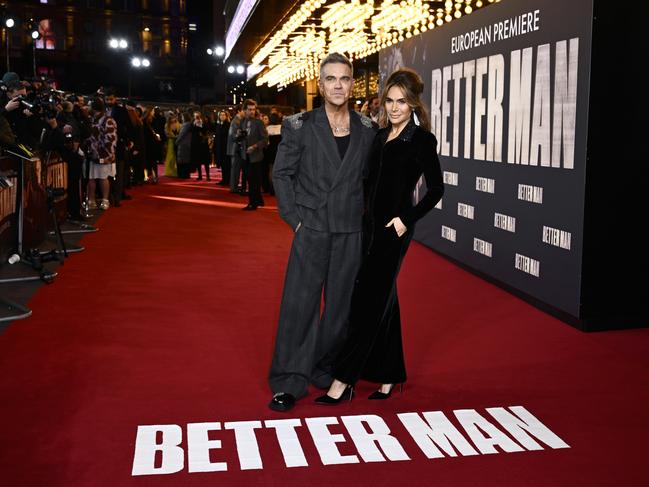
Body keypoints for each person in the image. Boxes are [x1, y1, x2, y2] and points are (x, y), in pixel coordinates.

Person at [315, 68, 444, 405]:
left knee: (366, 304)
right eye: (390, 100)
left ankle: (344, 380)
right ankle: (390, 375)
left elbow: (436, 190)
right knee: (385, 300)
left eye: (402, 101)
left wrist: (406, 219)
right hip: (368, 229)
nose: (395, 107)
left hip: (393, 232)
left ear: (414, 103)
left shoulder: (421, 140)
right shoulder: (378, 135)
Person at [268, 52, 377, 412]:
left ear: (351, 82)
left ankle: (325, 369)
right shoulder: (299, 125)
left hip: (349, 228)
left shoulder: (366, 128)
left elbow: (371, 180)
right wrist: (294, 218)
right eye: (330, 79)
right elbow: (281, 173)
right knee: (300, 305)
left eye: (344, 79)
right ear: (320, 82)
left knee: (340, 310)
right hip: (311, 226)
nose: (338, 86)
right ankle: (289, 380)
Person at [84, 98, 117, 210]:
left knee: (103, 177)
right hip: (91, 154)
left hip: (104, 155)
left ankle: (105, 200)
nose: (87, 108)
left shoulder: (108, 120)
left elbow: (110, 140)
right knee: (91, 177)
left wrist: (102, 154)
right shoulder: (92, 119)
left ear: (94, 108)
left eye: (89, 106)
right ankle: (91, 200)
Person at [239, 99, 268, 210]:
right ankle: (259, 200)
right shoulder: (242, 122)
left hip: (255, 156)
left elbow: (265, 140)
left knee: (253, 181)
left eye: (253, 109)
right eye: (249, 109)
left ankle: (252, 203)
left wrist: (254, 146)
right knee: (250, 179)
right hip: (244, 155)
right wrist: (239, 137)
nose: (252, 112)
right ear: (244, 110)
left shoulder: (259, 123)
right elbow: (240, 137)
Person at [214, 110, 230, 185]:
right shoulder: (218, 125)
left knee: (226, 165)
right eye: (221, 115)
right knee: (223, 165)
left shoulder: (228, 125)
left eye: (224, 115)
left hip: (226, 148)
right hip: (220, 148)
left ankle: (227, 180)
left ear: (226, 116)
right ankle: (224, 179)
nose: (222, 116)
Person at [176, 111, 193, 179]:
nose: (182, 118)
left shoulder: (186, 125)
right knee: (186, 160)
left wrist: (177, 141)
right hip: (187, 143)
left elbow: (181, 135)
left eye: (182, 117)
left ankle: (183, 175)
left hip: (183, 144)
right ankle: (186, 174)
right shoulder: (189, 124)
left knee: (183, 160)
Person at [163, 112, 180, 177]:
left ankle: (175, 171)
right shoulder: (167, 125)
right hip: (171, 142)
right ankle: (170, 171)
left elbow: (179, 131)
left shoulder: (178, 124)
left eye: (173, 116)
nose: (172, 118)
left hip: (177, 141)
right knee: (170, 156)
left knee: (176, 157)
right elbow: (167, 134)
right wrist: (173, 136)